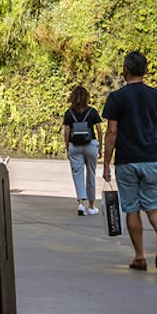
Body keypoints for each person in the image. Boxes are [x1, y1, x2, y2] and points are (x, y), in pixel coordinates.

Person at [101, 50, 157, 272]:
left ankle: (140, 256)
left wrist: (106, 163)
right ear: (145, 70)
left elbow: (112, 133)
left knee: (132, 209)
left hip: (127, 161)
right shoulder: (156, 95)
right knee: (154, 204)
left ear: (126, 70)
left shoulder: (117, 98)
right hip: (152, 158)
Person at [62, 86, 102, 216]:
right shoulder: (92, 111)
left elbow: (67, 131)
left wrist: (67, 146)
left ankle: (81, 204)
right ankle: (91, 206)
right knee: (91, 174)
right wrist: (100, 146)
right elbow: (99, 130)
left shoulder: (69, 113)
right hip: (90, 144)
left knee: (77, 174)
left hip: (75, 145)